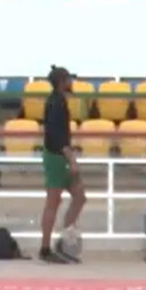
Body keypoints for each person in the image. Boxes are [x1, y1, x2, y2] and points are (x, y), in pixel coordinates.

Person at [40, 65, 89, 264]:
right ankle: (45, 248)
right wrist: (71, 158)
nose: (71, 83)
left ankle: (64, 241)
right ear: (62, 82)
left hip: (61, 155)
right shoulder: (56, 104)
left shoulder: (58, 101)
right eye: (69, 79)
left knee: (80, 196)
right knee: (53, 202)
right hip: (56, 157)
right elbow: (56, 135)